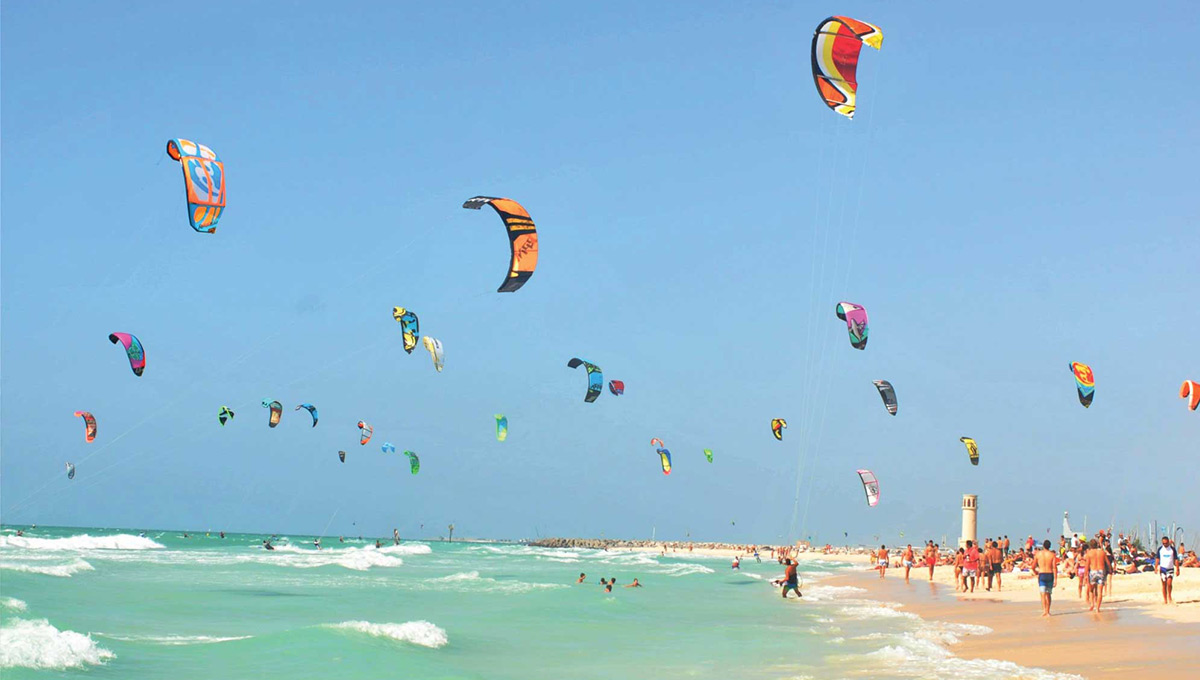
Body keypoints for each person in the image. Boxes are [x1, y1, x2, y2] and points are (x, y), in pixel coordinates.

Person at [1032, 539, 1058, 617]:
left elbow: (1033, 566)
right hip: (1050, 574)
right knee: (1048, 594)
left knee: (1042, 594)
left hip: (1042, 574)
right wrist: (1056, 579)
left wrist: (1036, 572)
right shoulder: (1052, 555)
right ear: (1050, 546)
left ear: (1043, 546)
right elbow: (1054, 568)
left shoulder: (1038, 554)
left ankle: (1044, 611)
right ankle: (1048, 611)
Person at [1085, 538, 1108, 612]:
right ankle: (1097, 608)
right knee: (1100, 591)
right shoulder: (1102, 552)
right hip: (1101, 571)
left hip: (1093, 572)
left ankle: (1092, 604)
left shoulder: (1089, 553)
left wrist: (1086, 575)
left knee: (1092, 590)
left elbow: (1087, 566)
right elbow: (1107, 562)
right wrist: (1110, 570)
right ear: (1097, 544)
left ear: (1090, 546)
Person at [1155, 536, 1180, 605]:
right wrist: (1156, 567)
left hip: (1170, 568)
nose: (1165, 545)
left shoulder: (1172, 549)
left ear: (1168, 542)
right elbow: (1157, 558)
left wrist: (1178, 569)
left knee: (1169, 583)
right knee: (1164, 584)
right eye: (1163, 543)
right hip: (1162, 569)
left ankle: (1169, 596)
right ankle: (1165, 599)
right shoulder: (1160, 549)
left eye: (1166, 543)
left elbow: (1176, 559)